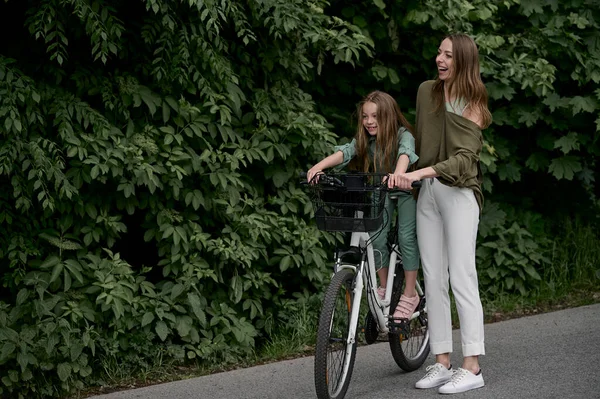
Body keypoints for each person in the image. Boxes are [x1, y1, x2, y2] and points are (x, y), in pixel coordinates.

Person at [391, 33, 492, 394]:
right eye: (438, 52)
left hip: (460, 193)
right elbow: (419, 143)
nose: (440, 59)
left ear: (463, 60)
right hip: (429, 194)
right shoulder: (426, 92)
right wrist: (406, 167)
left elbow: (465, 160)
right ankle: (443, 361)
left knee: (462, 276)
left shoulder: (475, 103)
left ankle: (473, 365)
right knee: (433, 278)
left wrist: (418, 173)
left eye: (448, 55)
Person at [307, 90, 421, 321]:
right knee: (375, 236)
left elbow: (405, 154)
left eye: (375, 117)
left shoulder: (403, 135)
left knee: (406, 236)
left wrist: (398, 175)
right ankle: (384, 287)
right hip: (381, 187)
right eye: (365, 117)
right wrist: (318, 167)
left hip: (406, 187)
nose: (369, 122)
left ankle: (410, 294)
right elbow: (346, 152)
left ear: (388, 116)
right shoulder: (367, 139)